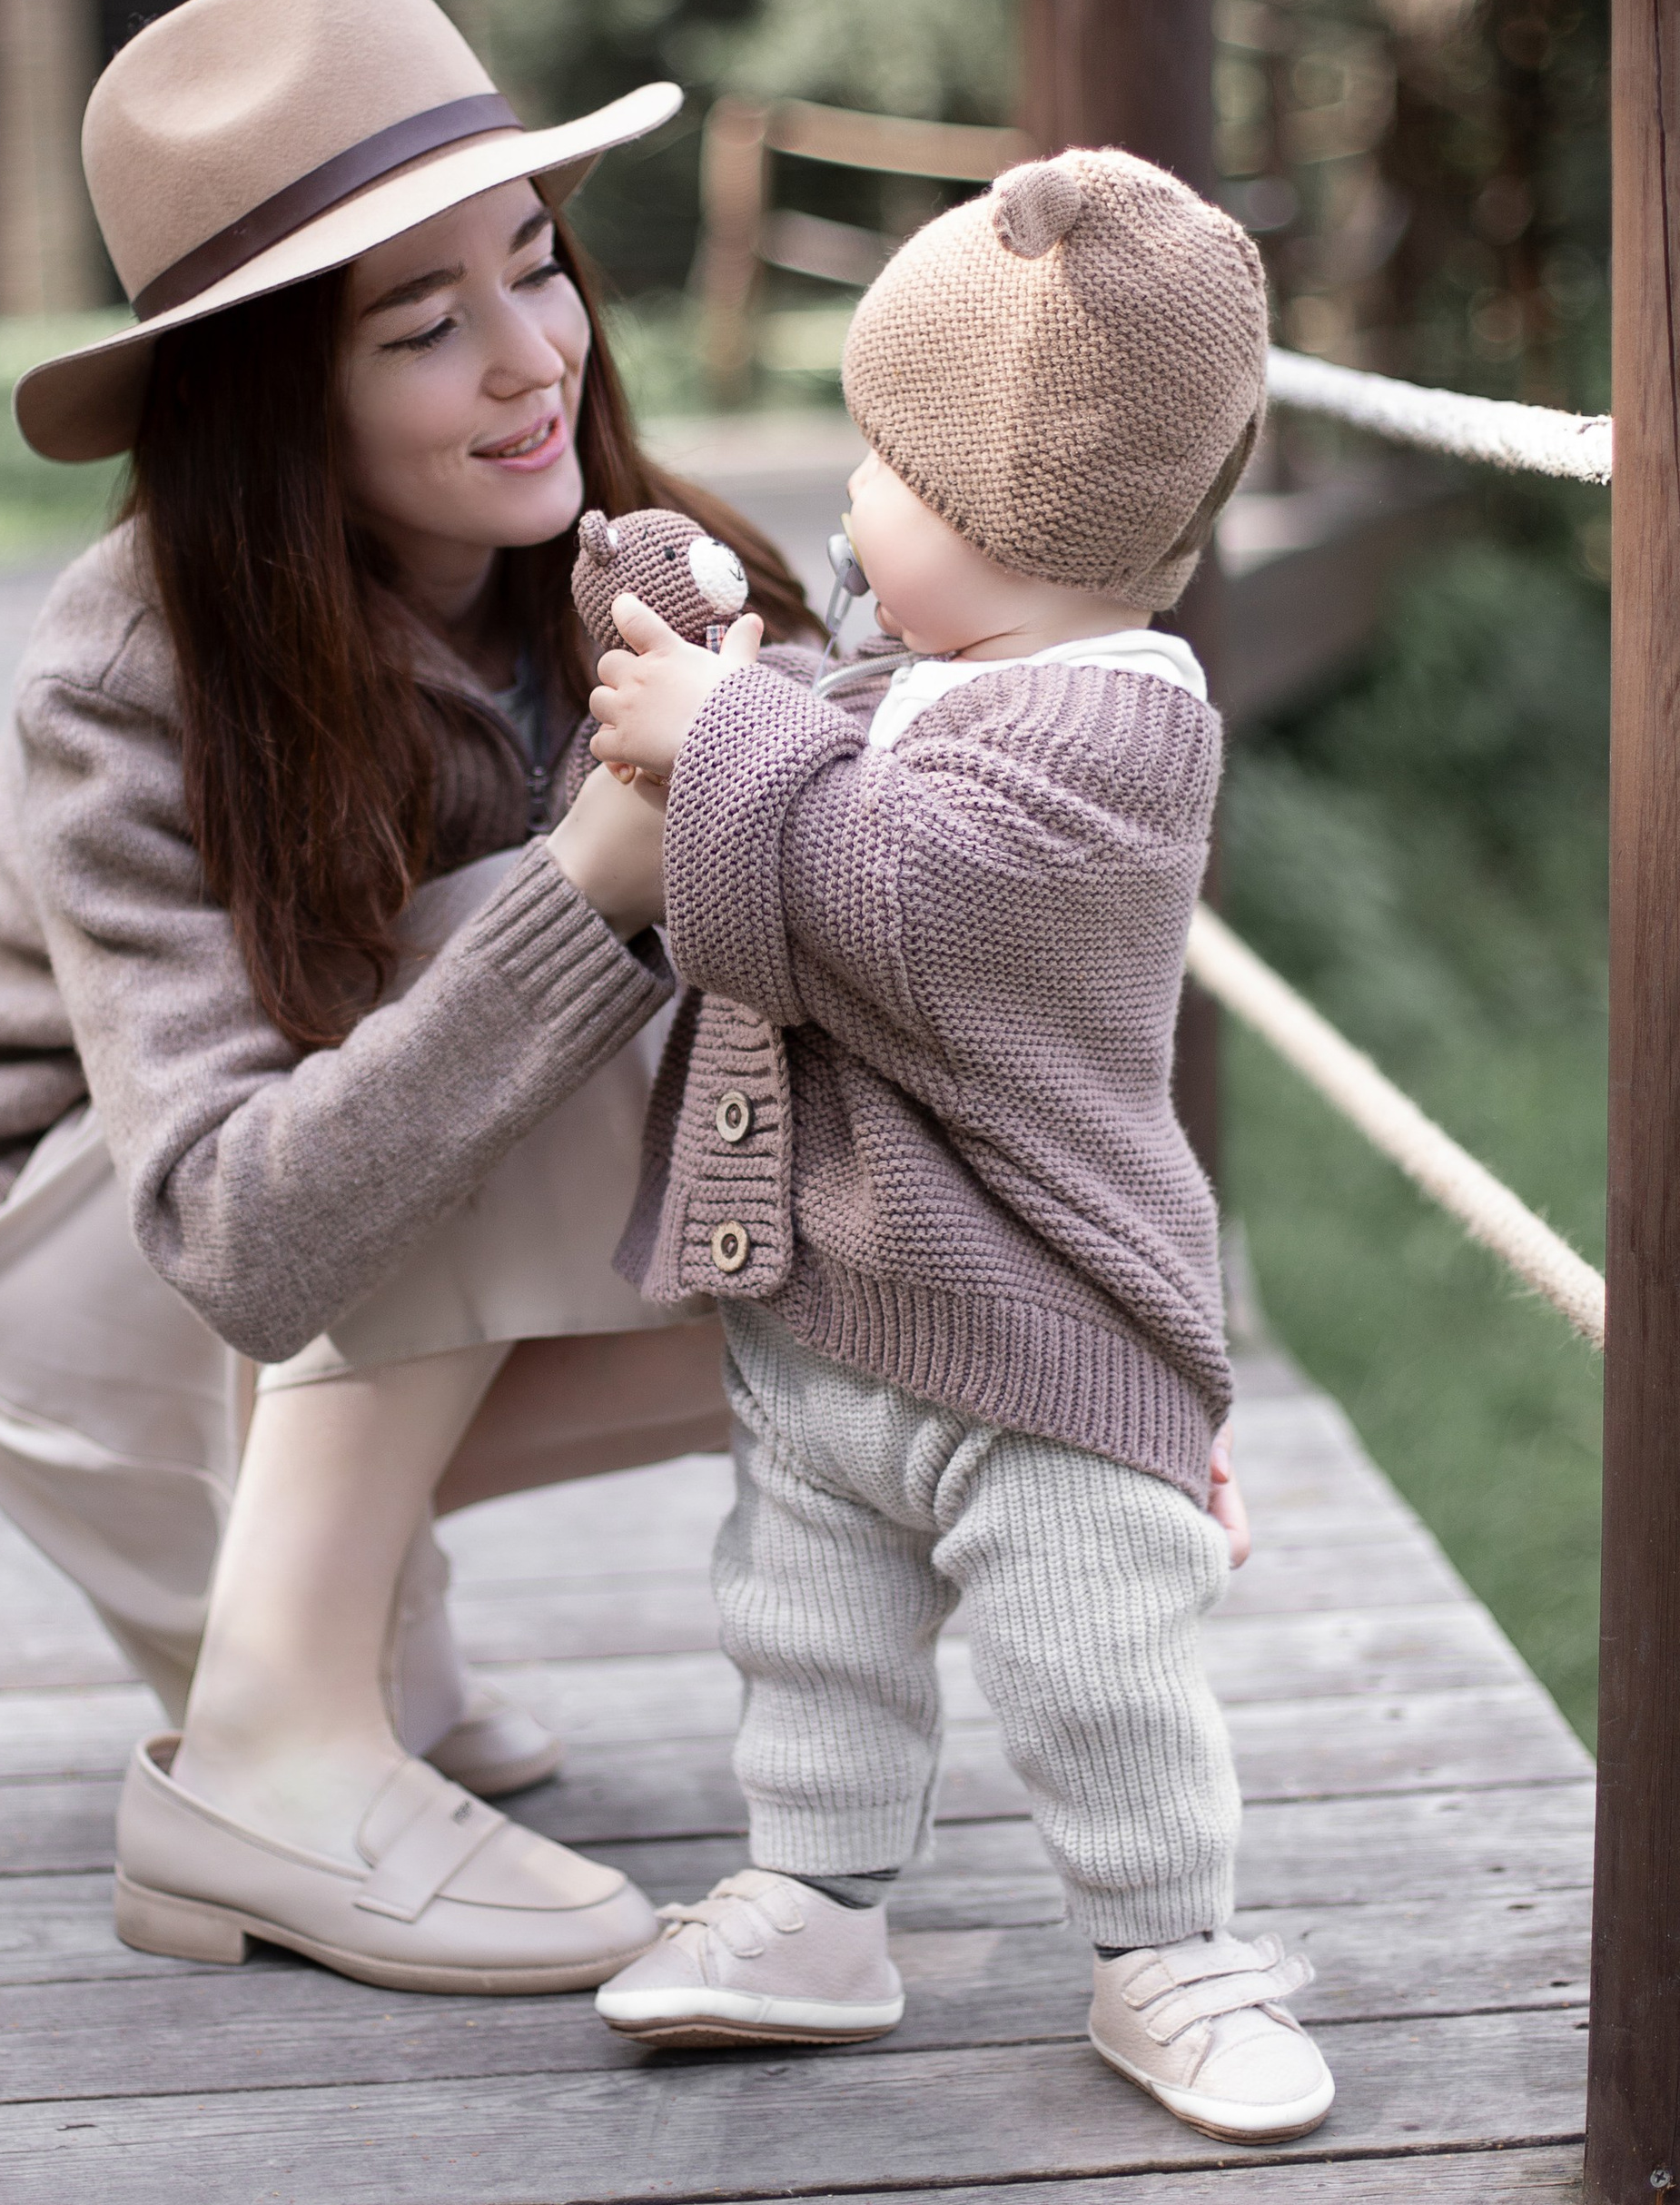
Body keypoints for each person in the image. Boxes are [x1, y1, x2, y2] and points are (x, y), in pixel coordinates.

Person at [0, 0, 816, 1995]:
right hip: (77, 1300)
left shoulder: (630, 565)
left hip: (319, 1279)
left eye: (536, 264)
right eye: (424, 323)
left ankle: (341, 1627)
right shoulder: (134, 670)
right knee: (548, 939)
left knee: (816, 1129)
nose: (530, 358)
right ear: (271, 392)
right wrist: (593, 886)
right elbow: (234, 1226)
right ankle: (277, 1735)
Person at [579, 150, 1335, 2140]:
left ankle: (1166, 1943)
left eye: (880, 466)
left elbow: (897, 906)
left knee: (1096, 1658)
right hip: (838, 1305)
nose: (844, 500)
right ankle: (816, 1896)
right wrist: (683, 654)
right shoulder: (920, 677)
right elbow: (795, 779)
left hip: (1040, 1333)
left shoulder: (1117, 734)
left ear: (1008, 512)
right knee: (803, 1627)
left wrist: (723, 735)